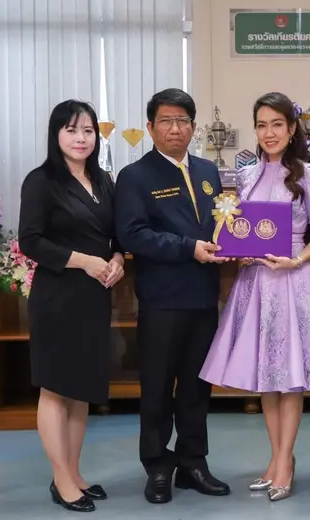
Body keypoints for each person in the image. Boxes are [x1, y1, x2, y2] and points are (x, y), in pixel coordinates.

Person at [199, 92, 310, 502]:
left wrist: (296, 259)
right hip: (254, 284)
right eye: (262, 125)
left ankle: (285, 460)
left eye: (277, 125)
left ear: (291, 128)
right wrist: (237, 252)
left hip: (293, 281)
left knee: (290, 378)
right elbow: (241, 230)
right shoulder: (245, 175)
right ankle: (275, 458)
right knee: (267, 377)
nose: (269, 133)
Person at [113, 88, 230, 505]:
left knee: (198, 388)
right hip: (162, 300)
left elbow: (221, 225)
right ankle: (158, 466)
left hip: (203, 298)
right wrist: (189, 248)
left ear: (194, 128)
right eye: (166, 121)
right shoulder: (135, 176)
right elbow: (133, 234)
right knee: (158, 388)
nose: (175, 128)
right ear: (150, 128)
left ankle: (193, 462)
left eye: (183, 121)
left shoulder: (207, 171)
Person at [19, 100, 125, 513]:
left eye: (88, 131)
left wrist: (116, 260)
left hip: (95, 297)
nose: (81, 139)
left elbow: (117, 237)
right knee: (56, 386)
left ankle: (75, 472)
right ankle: (60, 478)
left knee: (81, 389)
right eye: (71, 130)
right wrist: (86, 261)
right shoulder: (41, 180)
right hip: (58, 294)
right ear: (56, 135)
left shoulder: (104, 180)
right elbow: (31, 241)